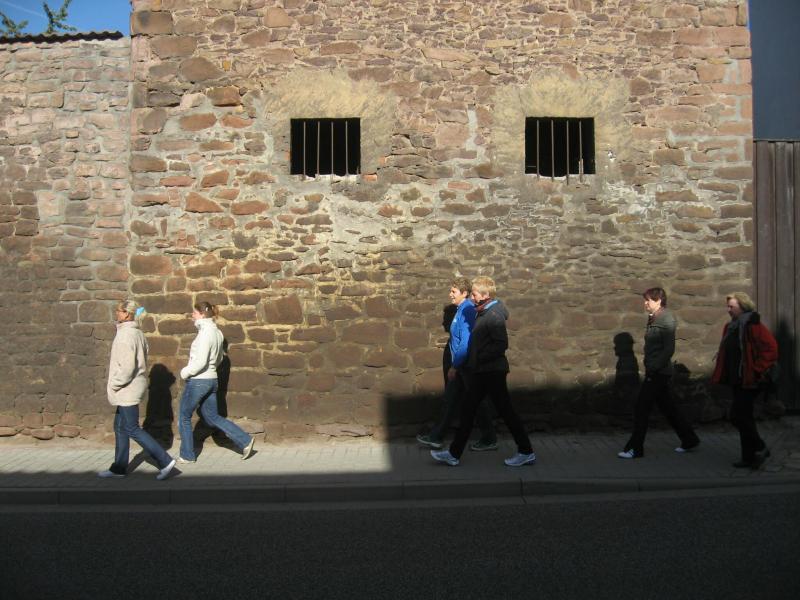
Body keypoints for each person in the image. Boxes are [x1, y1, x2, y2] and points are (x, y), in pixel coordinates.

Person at [431, 276, 535, 467]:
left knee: (506, 412)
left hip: (492, 372)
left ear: (486, 295)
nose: (472, 297)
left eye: (475, 294)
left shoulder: (493, 315)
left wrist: (477, 356)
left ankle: (526, 451)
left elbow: (501, 344)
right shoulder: (483, 312)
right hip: (482, 371)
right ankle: (453, 454)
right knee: (468, 411)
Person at [98, 300, 176, 480]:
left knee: (132, 428)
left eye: (119, 310)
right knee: (120, 426)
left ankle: (165, 461)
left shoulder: (126, 335)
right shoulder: (137, 333)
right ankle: (118, 468)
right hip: (133, 386)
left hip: (127, 388)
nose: (116, 313)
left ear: (127, 314)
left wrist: (115, 384)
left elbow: (127, 367)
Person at [618, 287, 700, 459]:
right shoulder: (654, 318)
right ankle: (689, 439)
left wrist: (654, 366)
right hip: (656, 371)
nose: (645, 303)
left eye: (648, 300)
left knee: (641, 408)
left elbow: (669, 349)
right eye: (645, 300)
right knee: (668, 407)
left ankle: (635, 448)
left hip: (658, 372)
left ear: (659, 300)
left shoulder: (666, 319)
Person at [416, 278, 496, 451]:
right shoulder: (461, 309)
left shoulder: (467, 310)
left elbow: (465, 342)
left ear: (464, 293)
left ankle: (489, 438)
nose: (450, 294)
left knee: (475, 401)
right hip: (461, 365)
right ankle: (437, 437)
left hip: (465, 366)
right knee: (451, 399)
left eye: (453, 291)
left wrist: (455, 365)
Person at [178, 301, 255, 463]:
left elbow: (200, 362)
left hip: (199, 380)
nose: (192, 315)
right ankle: (245, 441)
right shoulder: (217, 332)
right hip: (212, 379)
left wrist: (185, 372)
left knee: (184, 416)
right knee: (212, 416)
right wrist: (211, 369)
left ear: (202, 314)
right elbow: (219, 359)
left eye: (194, 312)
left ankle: (187, 455)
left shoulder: (205, 333)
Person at [711, 292, 778, 469]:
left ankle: (760, 447)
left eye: (732, 307)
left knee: (738, 416)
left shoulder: (753, 325)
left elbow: (771, 349)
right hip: (737, 379)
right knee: (744, 417)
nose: (728, 310)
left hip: (750, 380)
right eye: (728, 306)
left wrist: (757, 369)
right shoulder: (730, 327)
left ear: (743, 307)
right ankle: (749, 456)